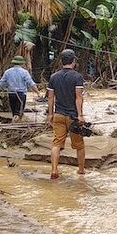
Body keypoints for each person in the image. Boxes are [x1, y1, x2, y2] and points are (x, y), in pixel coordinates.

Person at [47, 49, 86, 178]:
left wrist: (50, 114)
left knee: (56, 143)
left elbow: (51, 97)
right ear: (74, 61)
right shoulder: (77, 77)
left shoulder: (54, 77)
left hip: (58, 114)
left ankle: (54, 170)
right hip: (73, 117)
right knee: (79, 145)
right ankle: (81, 170)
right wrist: (80, 115)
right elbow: (78, 97)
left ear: (61, 61)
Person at [0, 55, 41, 123]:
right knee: (19, 112)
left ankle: (15, 121)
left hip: (11, 94)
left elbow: (0, 83)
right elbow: (31, 83)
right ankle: (17, 123)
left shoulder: (7, 72)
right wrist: (38, 92)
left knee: (14, 111)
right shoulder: (24, 72)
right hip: (21, 94)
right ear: (22, 63)